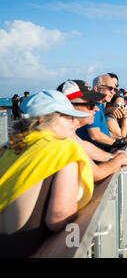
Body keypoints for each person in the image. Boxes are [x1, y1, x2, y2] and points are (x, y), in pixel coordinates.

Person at [0, 90, 94, 257]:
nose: (75, 123)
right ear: (43, 120)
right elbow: (58, 217)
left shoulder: (9, 148)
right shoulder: (63, 148)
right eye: (68, 117)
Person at [57, 80, 127, 181]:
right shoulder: (60, 139)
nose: (96, 109)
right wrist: (120, 160)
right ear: (71, 107)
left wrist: (111, 156)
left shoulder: (68, 133)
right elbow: (96, 173)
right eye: (91, 105)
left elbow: (84, 146)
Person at [76, 74, 127, 150]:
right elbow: (95, 135)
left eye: (115, 90)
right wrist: (120, 142)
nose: (113, 92)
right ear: (96, 88)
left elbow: (104, 132)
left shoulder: (100, 105)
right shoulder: (93, 106)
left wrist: (122, 139)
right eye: (110, 88)